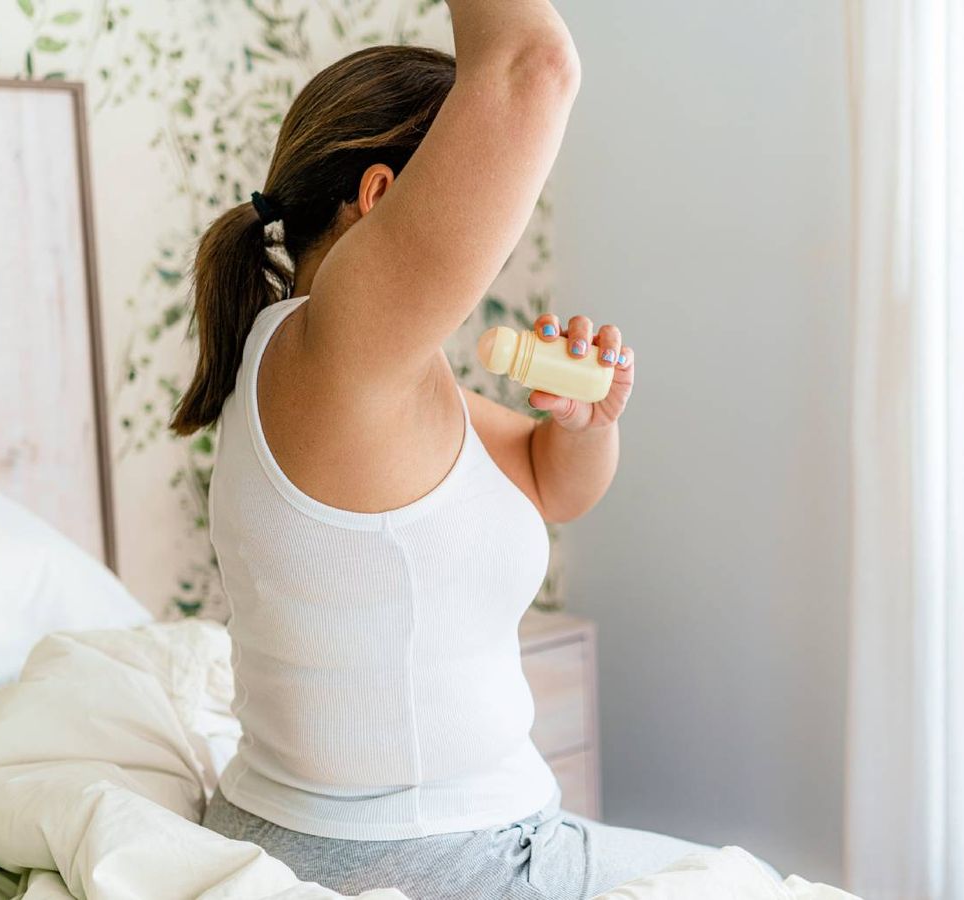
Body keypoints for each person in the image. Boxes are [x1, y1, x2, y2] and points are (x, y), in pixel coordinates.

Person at [172, 2, 757, 896]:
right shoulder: (339, 352)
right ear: (380, 198)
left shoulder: (348, 370)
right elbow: (533, 63)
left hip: (391, 837)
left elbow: (546, 483)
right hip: (429, 857)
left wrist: (582, 423)